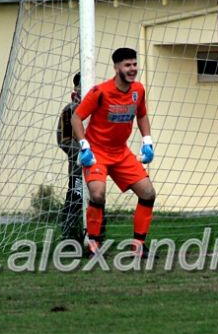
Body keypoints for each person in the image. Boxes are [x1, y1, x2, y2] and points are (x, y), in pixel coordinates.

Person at [71, 48, 156, 258]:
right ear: (117, 67)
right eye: (127, 65)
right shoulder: (100, 92)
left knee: (148, 193)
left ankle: (137, 245)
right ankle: (93, 246)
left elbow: (142, 115)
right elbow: (76, 118)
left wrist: (147, 141)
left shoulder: (138, 90)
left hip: (121, 153)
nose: (132, 69)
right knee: (98, 194)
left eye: (134, 64)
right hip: (97, 152)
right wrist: (84, 145)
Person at [56, 72, 84, 242]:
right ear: (76, 88)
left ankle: (97, 236)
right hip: (78, 169)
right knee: (76, 197)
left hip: (97, 168)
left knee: (97, 200)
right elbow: (64, 141)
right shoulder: (69, 110)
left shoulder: (96, 108)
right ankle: (69, 235)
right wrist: (83, 152)